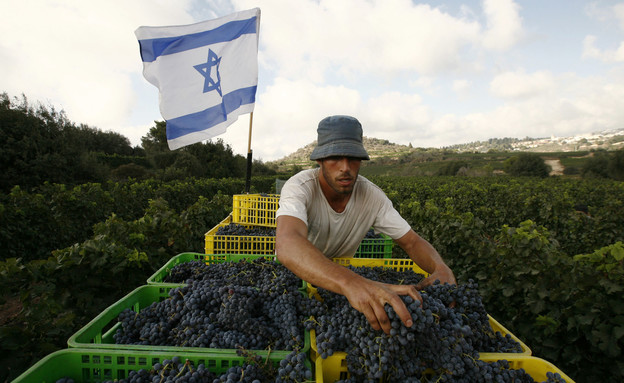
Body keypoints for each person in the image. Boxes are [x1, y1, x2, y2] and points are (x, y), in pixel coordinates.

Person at [275, 115, 456, 334]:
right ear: (320, 160)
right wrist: (351, 282)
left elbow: (411, 241)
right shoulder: (300, 187)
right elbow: (287, 243)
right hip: (295, 279)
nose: (345, 168)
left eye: (353, 158)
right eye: (335, 158)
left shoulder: (372, 197)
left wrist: (440, 267)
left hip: (342, 286)